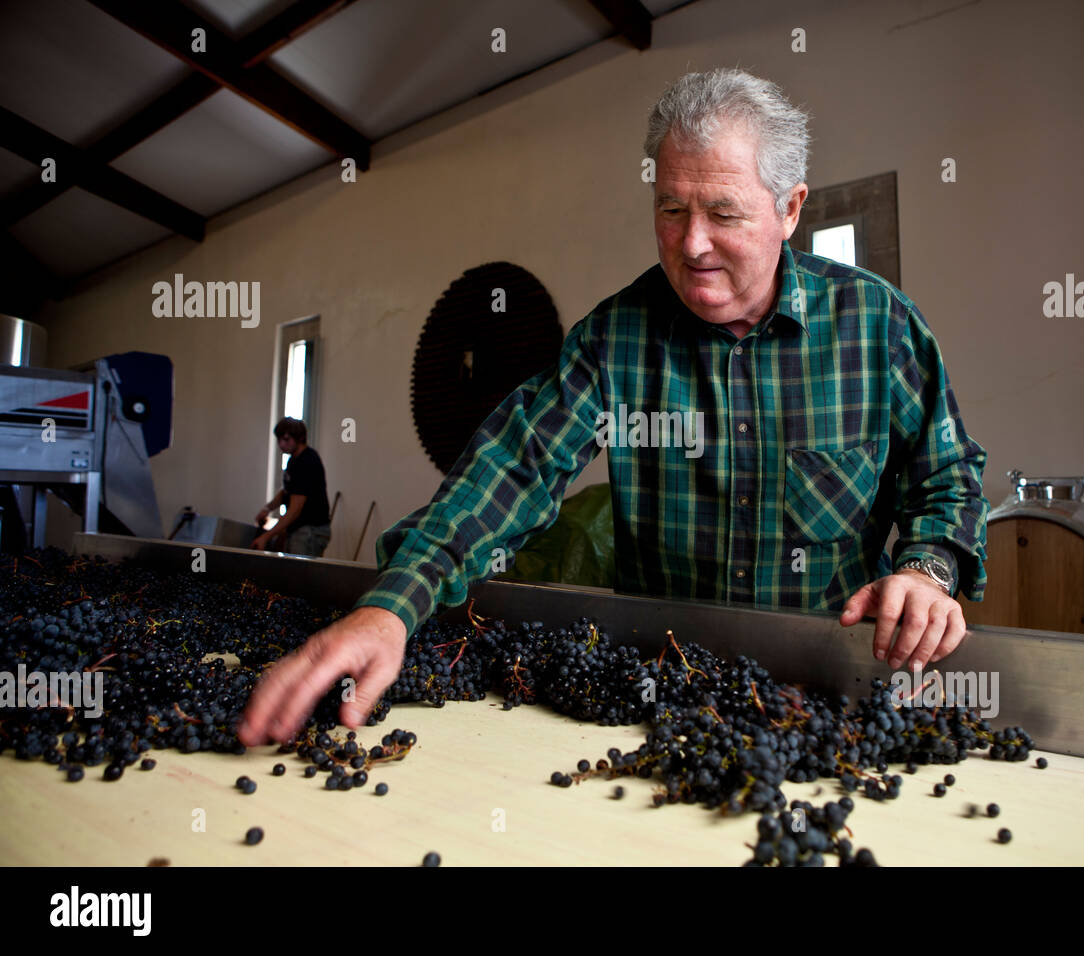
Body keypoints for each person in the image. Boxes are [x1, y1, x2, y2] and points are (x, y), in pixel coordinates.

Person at [239, 69, 989, 747]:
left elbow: (946, 476)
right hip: (659, 703)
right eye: (671, 209)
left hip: (831, 703)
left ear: (790, 209)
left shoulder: (878, 324)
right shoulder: (614, 339)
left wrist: (926, 570)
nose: (692, 245)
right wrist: (392, 608)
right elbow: (515, 465)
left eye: (723, 213)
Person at [252, 418, 332, 557]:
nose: (281, 444)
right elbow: (287, 492)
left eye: (286, 439)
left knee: (299, 576)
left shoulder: (307, 461)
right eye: (279, 440)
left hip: (310, 531)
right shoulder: (293, 460)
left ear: (300, 438)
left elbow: (295, 509)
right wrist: (268, 508)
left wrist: (267, 536)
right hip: (299, 529)